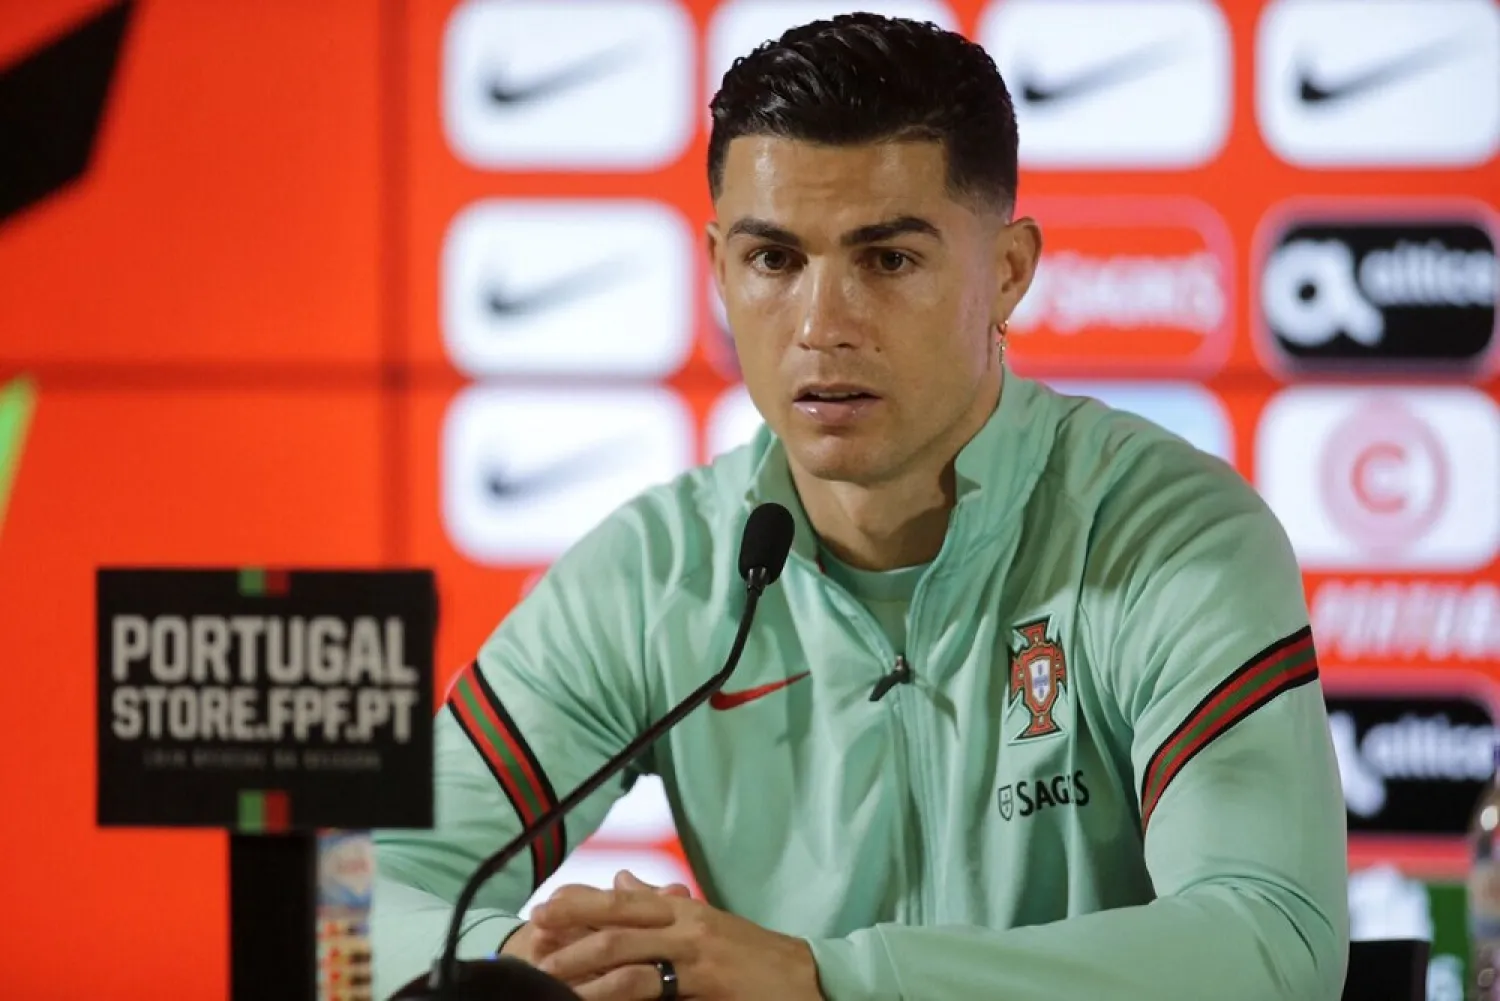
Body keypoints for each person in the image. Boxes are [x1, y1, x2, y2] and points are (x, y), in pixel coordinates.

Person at [372, 13, 1349, 1000]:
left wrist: (828, 979)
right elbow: (380, 882)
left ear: (1008, 273)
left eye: (887, 259)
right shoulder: (654, 571)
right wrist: (540, 976)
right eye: (774, 260)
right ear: (718, 271)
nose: (822, 325)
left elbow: (1271, 942)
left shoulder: (1168, 533)